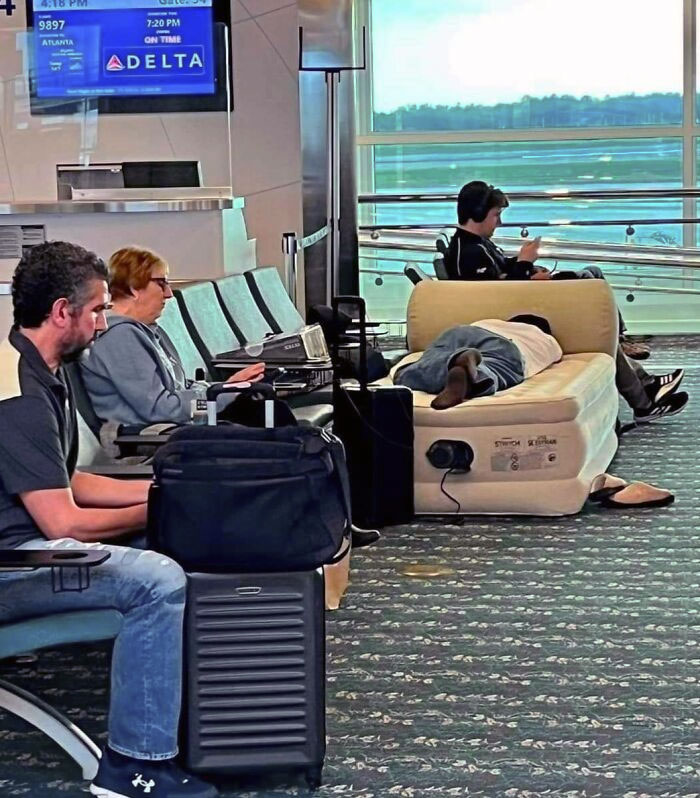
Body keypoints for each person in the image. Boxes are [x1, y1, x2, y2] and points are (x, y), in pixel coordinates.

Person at [0, 241, 217, 798]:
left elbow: (67, 480)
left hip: (28, 544)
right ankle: (133, 769)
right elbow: (62, 523)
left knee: (165, 533)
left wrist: (162, 490)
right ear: (61, 313)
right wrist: (164, 504)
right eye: (96, 310)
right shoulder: (19, 394)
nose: (103, 323)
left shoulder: (34, 370)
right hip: (13, 563)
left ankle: (188, 722)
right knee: (156, 579)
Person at [443, 180, 650, 360]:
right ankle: (615, 341)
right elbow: (496, 294)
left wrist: (526, 264)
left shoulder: (479, 244)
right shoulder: (469, 252)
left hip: (521, 293)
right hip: (515, 310)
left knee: (593, 272)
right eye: (496, 215)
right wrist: (524, 265)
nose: (500, 222)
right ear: (478, 214)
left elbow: (500, 274)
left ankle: (619, 338)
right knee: (587, 279)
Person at [80, 246, 268, 428]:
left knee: (265, 412)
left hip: (179, 428)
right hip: (154, 439)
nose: (169, 294)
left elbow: (181, 387)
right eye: (161, 283)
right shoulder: (120, 338)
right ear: (134, 287)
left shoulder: (148, 331)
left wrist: (227, 388)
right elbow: (161, 409)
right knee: (268, 431)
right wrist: (220, 396)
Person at [394, 314, 688, 423]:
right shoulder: (543, 340)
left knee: (415, 369)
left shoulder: (490, 321)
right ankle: (471, 370)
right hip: (504, 347)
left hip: (460, 329)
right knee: (497, 369)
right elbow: (542, 362)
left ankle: (443, 364)